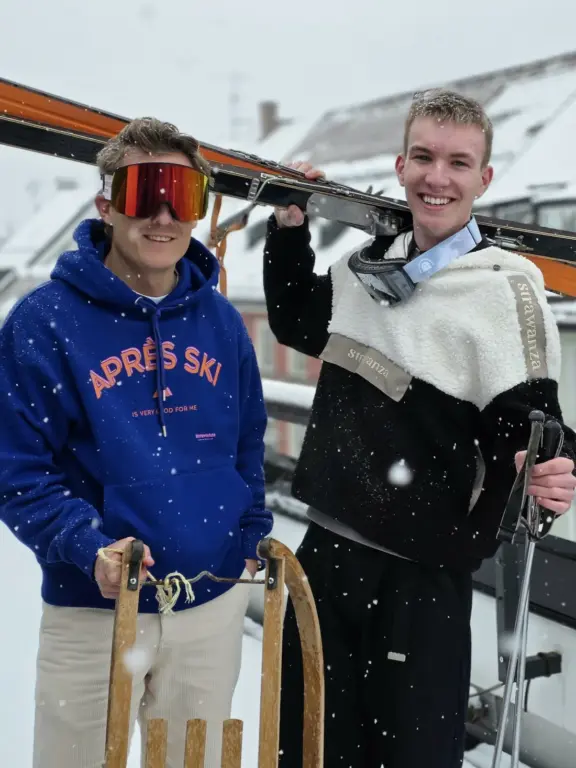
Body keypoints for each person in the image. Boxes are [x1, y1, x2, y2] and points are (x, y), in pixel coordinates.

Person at [262, 89, 576, 767]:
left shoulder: (505, 288)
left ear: (484, 178)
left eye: (458, 163)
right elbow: (293, 318)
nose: (439, 177)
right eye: (425, 157)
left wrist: (549, 467)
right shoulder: (365, 269)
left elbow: (533, 423)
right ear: (400, 166)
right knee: (306, 748)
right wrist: (289, 225)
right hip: (325, 559)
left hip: (420, 584)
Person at [0, 117, 272, 767]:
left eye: (181, 195)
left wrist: (248, 536)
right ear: (105, 205)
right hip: (94, 611)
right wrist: (85, 544)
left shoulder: (221, 321)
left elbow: (247, 442)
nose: (162, 215)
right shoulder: (43, 322)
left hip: (209, 600)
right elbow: (18, 470)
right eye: (143, 192)